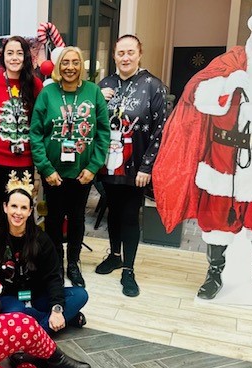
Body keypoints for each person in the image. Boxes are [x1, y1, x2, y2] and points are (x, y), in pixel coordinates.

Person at [153, 6, 252, 299]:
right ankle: (214, 275)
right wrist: (227, 85)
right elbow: (196, 93)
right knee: (217, 220)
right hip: (224, 161)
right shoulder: (233, 59)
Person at [30, 46, 110, 288]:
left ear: (81, 66)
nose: (70, 67)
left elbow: (103, 133)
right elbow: (35, 134)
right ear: (58, 66)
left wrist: (93, 167)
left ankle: (73, 264)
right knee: (53, 220)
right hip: (53, 173)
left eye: (75, 62)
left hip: (82, 174)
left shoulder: (93, 92)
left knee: (76, 219)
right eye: (65, 62)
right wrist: (45, 168)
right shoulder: (47, 93)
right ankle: (56, 263)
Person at [94, 35, 168, 297]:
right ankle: (114, 255)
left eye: (130, 52)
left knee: (129, 215)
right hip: (107, 166)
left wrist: (147, 167)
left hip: (136, 167)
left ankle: (129, 269)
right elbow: (91, 123)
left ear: (139, 54)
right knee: (113, 213)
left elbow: (161, 131)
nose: (125, 58)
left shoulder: (153, 86)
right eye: (120, 53)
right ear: (114, 55)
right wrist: (98, 101)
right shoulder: (103, 85)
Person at [0, 172, 88, 334]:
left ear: (30, 210)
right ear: (5, 207)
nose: (18, 212)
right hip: (9, 296)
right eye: (14, 206)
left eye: (23, 207)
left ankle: (36, 333)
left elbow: (54, 277)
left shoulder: (42, 239)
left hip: (39, 295)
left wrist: (57, 309)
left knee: (80, 295)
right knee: (14, 314)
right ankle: (58, 321)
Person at [0, 36, 43, 221]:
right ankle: (0, 249)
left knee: (21, 213)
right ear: (3, 57)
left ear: (26, 57)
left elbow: (38, 122)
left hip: (23, 160)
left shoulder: (35, 85)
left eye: (19, 53)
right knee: (0, 211)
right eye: (10, 53)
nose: (14, 58)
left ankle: (21, 250)